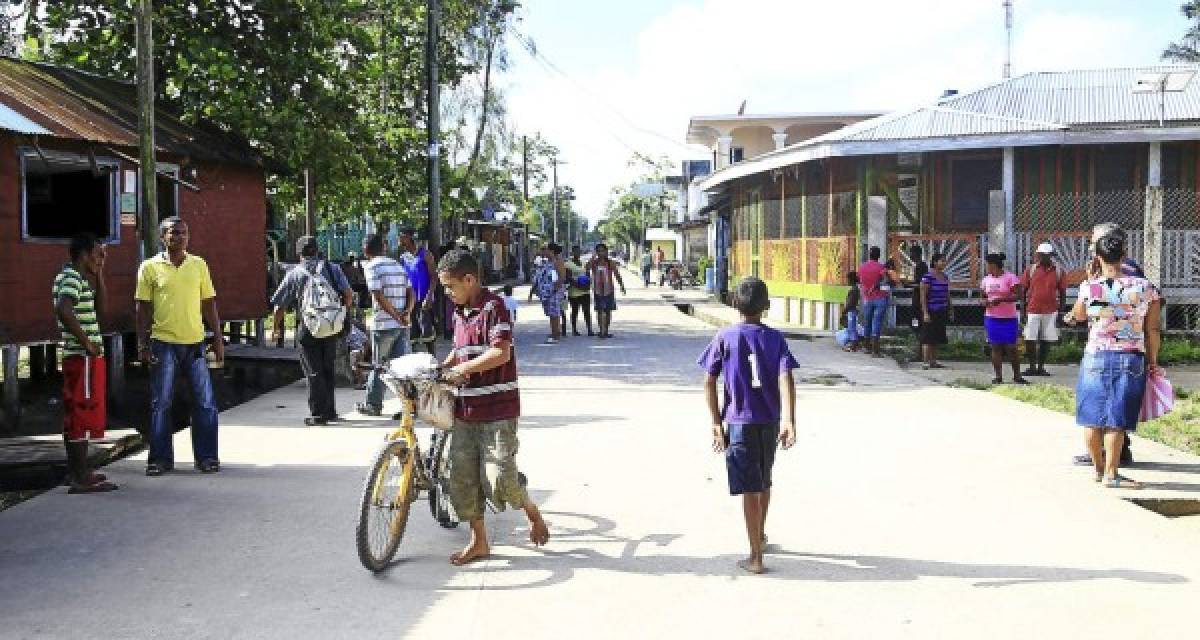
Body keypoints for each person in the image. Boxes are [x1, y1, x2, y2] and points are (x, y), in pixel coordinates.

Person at [437, 249, 550, 565]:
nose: (447, 294)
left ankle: (531, 510)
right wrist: (440, 368)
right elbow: (460, 353)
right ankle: (479, 541)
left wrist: (463, 370)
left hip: (498, 410)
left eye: (450, 286)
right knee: (462, 478)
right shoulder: (459, 313)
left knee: (501, 479)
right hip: (464, 411)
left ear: (469, 280)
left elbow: (500, 353)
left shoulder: (494, 307)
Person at [698, 277, 798, 575]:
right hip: (769, 421)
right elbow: (786, 377)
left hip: (739, 423)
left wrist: (716, 421)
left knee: (750, 490)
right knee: (764, 480)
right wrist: (790, 419)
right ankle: (761, 534)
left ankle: (755, 556)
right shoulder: (775, 338)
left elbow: (709, 380)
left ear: (733, 304)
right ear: (767, 307)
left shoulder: (725, 337)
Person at [1064, 227, 1160, 489]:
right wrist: (1153, 361)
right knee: (1116, 419)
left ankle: (1097, 470)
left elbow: (1079, 316)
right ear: (1124, 255)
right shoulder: (1145, 287)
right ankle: (1111, 474)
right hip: (1130, 357)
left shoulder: (1091, 286)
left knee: (1092, 417)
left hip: (1095, 355)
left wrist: (1090, 280)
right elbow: (1152, 329)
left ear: (1097, 256)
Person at [135, 217, 223, 477]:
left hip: (195, 343)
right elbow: (142, 308)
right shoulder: (149, 268)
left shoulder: (199, 265)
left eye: (184, 233)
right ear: (163, 237)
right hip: (163, 344)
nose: (180, 237)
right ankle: (160, 459)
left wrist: (217, 338)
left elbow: (209, 303)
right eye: (174, 233)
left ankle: (207, 458)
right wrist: (142, 344)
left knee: (205, 403)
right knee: (161, 402)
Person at [53, 233, 117, 493]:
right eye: (99, 254)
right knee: (81, 413)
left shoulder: (78, 279)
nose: (102, 259)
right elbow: (63, 309)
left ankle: (77, 472)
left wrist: (99, 274)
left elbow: (101, 312)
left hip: (81, 358)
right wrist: (89, 345)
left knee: (78, 413)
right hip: (82, 358)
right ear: (84, 254)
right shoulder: (70, 278)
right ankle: (80, 478)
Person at [270, 236, 353, 425]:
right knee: (327, 368)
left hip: (309, 327)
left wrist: (276, 328)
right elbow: (348, 295)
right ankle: (330, 411)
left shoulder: (295, 273)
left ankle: (318, 413)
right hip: (331, 325)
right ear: (317, 251)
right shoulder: (333, 268)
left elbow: (279, 306)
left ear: (299, 254)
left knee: (313, 370)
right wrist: (340, 313)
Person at [356, 233, 415, 417]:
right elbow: (411, 291)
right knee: (402, 368)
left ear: (366, 250)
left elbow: (378, 295)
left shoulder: (371, 266)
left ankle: (373, 405)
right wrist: (407, 312)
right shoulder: (397, 264)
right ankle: (409, 406)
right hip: (403, 324)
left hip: (384, 324)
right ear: (383, 247)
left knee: (380, 366)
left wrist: (395, 315)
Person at [1020, 243, 1066, 377]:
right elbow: (1023, 290)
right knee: (1030, 338)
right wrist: (1023, 310)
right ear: (1038, 255)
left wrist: (1061, 312)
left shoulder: (1058, 271)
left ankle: (1041, 367)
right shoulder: (1031, 270)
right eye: (1042, 255)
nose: (1044, 258)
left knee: (1046, 339)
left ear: (1051, 256)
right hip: (1033, 309)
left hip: (1051, 310)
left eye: (1047, 256)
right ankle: (1032, 367)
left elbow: (1062, 292)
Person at [981, 253, 1028, 385]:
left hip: (1008, 318)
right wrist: (984, 302)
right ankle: (998, 376)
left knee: (1011, 347)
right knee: (995, 347)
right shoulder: (986, 280)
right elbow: (983, 296)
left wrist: (1001, 299)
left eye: (988, 265)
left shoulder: (1010, 278)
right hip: (992, 318)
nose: (986, 268)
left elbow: (1018, 296)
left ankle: (1017, 376)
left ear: (993, 265)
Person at [398, 228, 439, 356]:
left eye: (401, 236)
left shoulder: (425, 254)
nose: (399, 239)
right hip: (410, 300)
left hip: (424, 299)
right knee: (412, 332)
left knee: (426, 331)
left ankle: (433, 360)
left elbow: (434, 276)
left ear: (409, 237)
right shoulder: (403, 257)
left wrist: (429, 296)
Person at [587, 243, 627, 339]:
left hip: (609, 290)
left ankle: (606, 331)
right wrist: (592, 257)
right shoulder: (594, 263)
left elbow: (617, 274)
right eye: (598, 251)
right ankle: (601, 330)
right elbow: (587, 268)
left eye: (602, 251)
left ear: (606, 251)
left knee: (608, 311)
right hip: (597, 290)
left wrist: (622, 286)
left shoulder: (610, 263)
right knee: (600, 311)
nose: (601, 253)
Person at [919, 252, 951, 370]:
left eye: (944, 261)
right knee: (927, 337)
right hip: (931, 310)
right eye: (941, 261)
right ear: (935, 262)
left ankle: (934, 361)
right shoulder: (927, 277)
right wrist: (925, 312)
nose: (944, 263)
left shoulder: (944, 276)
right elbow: (923, 296)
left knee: (937, 337)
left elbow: (947, 293)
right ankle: (925, 362)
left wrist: (950, 307)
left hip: (941, 310)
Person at [528, 245, 565, 343]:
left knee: (554, 314)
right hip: (546, 293)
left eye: (546, 250)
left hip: (554, 293)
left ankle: (555, 335)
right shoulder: (546, 262)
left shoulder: (558, 262)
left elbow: (561, 277)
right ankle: (554, 332)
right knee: (550, 313)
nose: (544, 252)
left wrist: (554, 290)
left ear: (552, 251)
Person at [857, 246, 890, 357]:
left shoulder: (861, 267)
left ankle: (867, 348)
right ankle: (875, 351)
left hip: (867, 298)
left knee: (867, 322)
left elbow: (860, 281)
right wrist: (877, 284)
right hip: (880, 298)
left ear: (869, 255)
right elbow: (885, 280)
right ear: (879, 255)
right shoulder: (881, 267)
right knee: (877, 322)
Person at [566, 245, 594, 337]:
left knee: (587, 310)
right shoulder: (568, 264)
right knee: (575, 310)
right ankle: (574, 329)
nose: (577, 253)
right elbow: (569, 277)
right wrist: (578, 286)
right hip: (574, 291)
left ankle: (589, 329)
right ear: (572, 252)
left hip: (585, 291)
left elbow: (587, 274)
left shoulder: (583, 263)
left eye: (579, 251)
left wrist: (588, 284)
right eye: (575, 251)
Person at [908, 245, 929, 340]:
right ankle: (917, 334)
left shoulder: (921, 266)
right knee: (914, 319)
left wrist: (909, 285)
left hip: (918, 299)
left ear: (916, 254)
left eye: (911, 254)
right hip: (917, 299)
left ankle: (918, 335)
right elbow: (918, 282)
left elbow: (921, 284)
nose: (910, 256)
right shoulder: (919, 265)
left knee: (915, 319)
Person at [840, 271, 861, 352]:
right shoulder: (856, 288)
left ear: (851, 279)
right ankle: (853, 345)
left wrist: (844, 311)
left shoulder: (854, 289)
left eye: (847, 279)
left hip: (851, 311)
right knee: (852, 328)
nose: (847, 281)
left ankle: (853, 347)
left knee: (851, 329)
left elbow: (850, 303)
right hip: (853, 310)